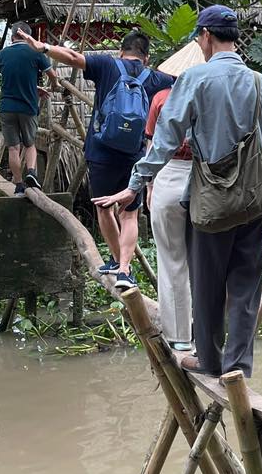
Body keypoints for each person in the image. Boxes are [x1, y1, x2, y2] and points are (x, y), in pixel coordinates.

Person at [97, 5, 262, 378]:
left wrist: (134, 185)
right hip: (253, 201)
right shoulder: (259, 83)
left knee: (207, 283)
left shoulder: (195, 80)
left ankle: (209, 358)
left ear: (205, 36)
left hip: (211, 202)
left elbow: (165, 141)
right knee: (246, 286)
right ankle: (239, 364)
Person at [24, 28, 173, 284]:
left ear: (121, 51)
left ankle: (116, 261)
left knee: (104, 208)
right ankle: (126, 269)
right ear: (146, 57)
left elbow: (72, 57)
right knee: (129, 214)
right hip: (135, 154)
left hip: (102, 151)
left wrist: (44, 48)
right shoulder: (156, 78)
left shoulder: (106, 64)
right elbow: (182, 82)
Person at [144, 62, 200, 351]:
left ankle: (179, 337)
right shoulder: (210, 98)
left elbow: (153, 147)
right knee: (203, 261)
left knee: (171, 260)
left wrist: (149, 185)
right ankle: (205, 332)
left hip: (167, 174)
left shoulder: (161, 99)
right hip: (205, 181)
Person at [0, 24, 51, 195]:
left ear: (12, 37)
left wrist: (33, 86)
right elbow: (52, 75)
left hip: (7, 108)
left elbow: (13, 77)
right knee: (29, 144)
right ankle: (32, 173)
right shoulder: (36, 52)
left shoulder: (2, 54)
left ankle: (19, 184)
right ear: (29, 36)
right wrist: (54, 85)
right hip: (27, 107)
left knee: (13, 148)